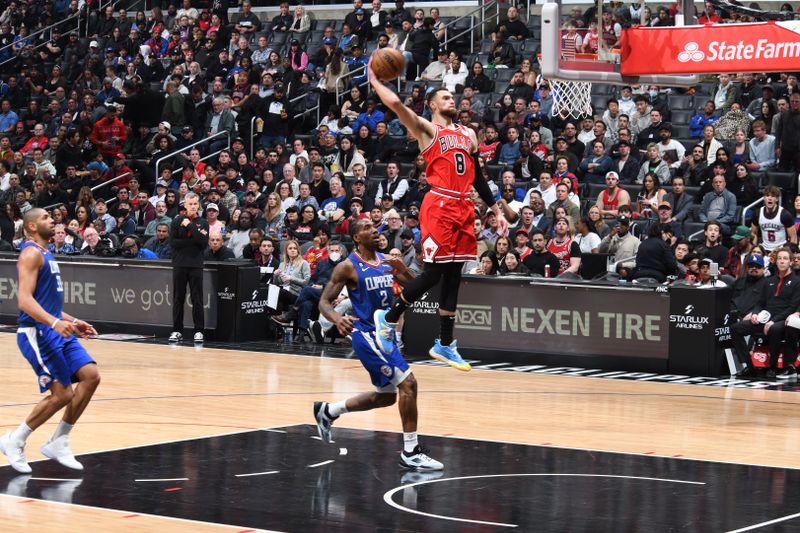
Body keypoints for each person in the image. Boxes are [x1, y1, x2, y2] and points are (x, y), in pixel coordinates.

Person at [367, 62, 507, 371]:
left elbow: (478, 179)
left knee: (454, 276)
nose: (452, 101)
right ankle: (388, 319)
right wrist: (375, 80)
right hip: (440, 204)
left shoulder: (469, 133)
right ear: (432, 105)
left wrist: (496, 210)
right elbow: (395, 104)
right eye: (445, 98)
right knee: (433, 273)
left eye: (452, 97)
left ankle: (444, 343)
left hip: (464, 206)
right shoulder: (427, 129)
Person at [313, 218, 443, 470]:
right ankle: (411, 450)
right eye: (367, 229)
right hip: (367, 335)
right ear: (357, 238)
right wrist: (337, 318)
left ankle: (328, 411)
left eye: (375, 227)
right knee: (409, 383)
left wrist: (403, 271)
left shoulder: (386, 261)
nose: (374, 231)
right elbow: (324, 302)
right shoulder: (348, 267)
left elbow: (414, 286)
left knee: (386, 398)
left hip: (386, 334)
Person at [0, 208, 100, 473]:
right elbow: (24, 300)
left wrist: (74, 321)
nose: (52, 220)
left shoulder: (47, 253)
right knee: (63, 393)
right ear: (32, 227)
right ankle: (15, 440)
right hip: (38, 333)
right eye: (45, 218)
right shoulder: (30, 253)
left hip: (55, 329)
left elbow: (50, 306)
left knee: (91, 375)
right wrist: (55, 323)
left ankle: (59, 440)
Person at [730, 248, 800, 379]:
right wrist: (755, 313)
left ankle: (772, 367)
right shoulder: (769, 281)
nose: (782, 261)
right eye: (779, 258)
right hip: (766, 317)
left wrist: (773, 321)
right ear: (775, 261)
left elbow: (792, 308)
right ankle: (749, 365)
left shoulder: (797, 282)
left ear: (791, 262)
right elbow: (760, 303)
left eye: (785, 258)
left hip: (783, 319)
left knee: (774, 329)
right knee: (735, 329)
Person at [169, 193, 209, 344]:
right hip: (179, 264)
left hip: (196, 264)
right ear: (184, 205)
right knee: (178, 298)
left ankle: (199, 331)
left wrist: (190, 226)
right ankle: (177, 330)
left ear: (198, 205)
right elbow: (173, 243)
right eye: (190, 204)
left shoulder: (203, 222)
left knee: (197, 298)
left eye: (195, 204)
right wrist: (192, 240)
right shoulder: (176, 221)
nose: (193, 206)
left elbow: (203, 242)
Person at [751, 185, 797, 252]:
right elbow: (753, 233)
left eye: (772, 196)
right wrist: (753, 249)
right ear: (764, 198)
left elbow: (793, 237)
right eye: (767, 196)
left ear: (777, 199)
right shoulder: (757, 213)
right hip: (764, 249)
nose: (770, 198)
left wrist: (789, 252)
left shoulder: (784, 214)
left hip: (781, 249)